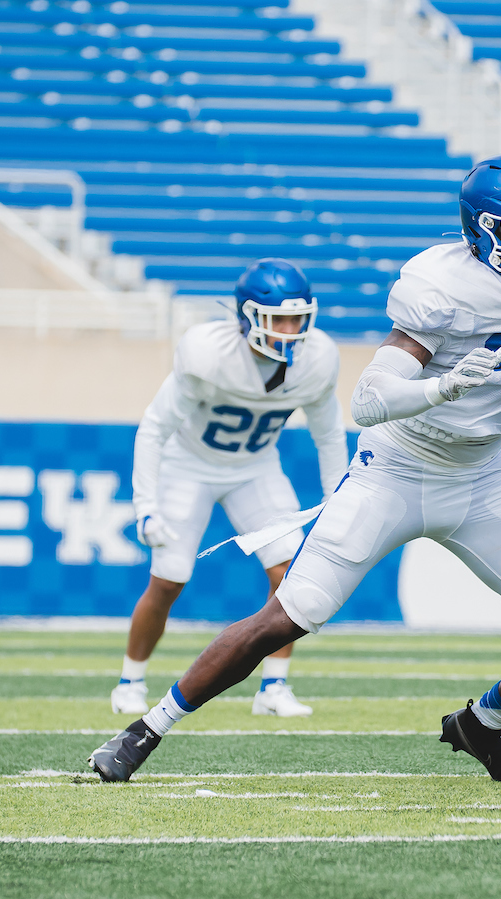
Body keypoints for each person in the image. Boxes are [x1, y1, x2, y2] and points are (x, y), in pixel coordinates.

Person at [87, 154, 501, 784]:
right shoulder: (442, 286)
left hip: (484, 476)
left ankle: (480, 726)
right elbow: (368, 399)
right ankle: (145, 729)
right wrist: (439, 388)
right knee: (287, 615)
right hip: (397, 468)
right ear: (479, 232)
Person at [110, 259, 348, 720]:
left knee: (291, 575)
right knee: (169, 579)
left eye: (297, 318)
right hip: (189, 465)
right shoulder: (207, 353)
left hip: (255, 468)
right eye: (277, 318)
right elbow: (154, 428)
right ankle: (130, 679)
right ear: (246, 318)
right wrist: (145, 505)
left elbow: (329, 435)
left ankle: (273, 687)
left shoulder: (317, 359)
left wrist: (337, 499)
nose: (289, 330)